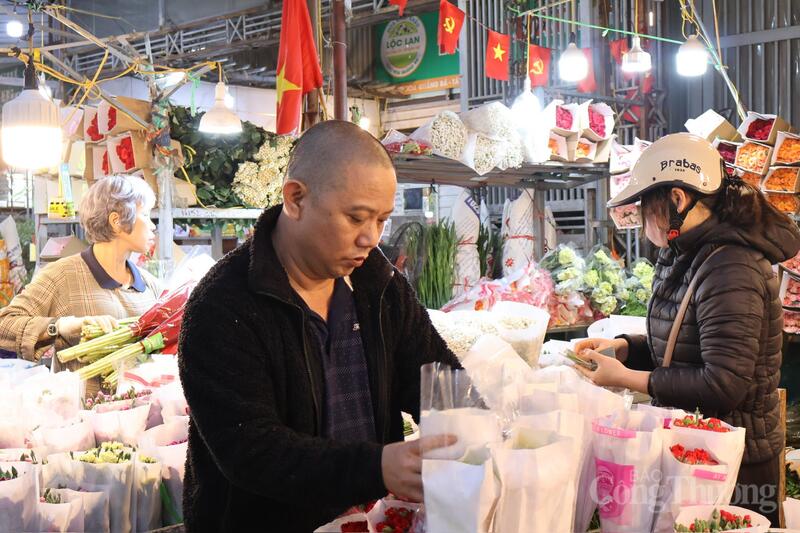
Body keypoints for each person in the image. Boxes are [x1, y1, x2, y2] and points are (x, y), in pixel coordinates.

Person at [178, 120, 460, 532]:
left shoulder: (380, 287)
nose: (371, 238)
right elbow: (251, 450)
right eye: (356, 218)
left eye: (381, 220)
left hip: (371, 520)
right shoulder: (222, 305)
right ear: (296, 198)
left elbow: (436, 379)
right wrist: (376, 467)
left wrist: (477, 423)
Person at [575, 133, 800, 525]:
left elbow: (723, 383)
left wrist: (627, 379)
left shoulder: (732, 267)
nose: (642, 220)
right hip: (699, 450)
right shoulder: (688, 253)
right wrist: (623, 348)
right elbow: (682, 345)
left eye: (646, 205)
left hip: (735, 468)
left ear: (677, 199)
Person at [0, 175, 161, 383]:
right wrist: (59, 326)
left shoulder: (150, 285)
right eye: (145, 215)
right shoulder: (62, 276)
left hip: (148, 403)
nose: (153, 226)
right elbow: (5, 324)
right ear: (117, 221)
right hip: (83, 404)